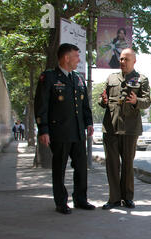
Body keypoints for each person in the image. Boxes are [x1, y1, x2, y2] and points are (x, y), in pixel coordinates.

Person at [34, 43, 95, 215]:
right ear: (66, 58)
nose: (79, 60)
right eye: (76, 56)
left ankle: (80, 199)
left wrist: (89, 122)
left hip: (77, 132)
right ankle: (61, 202)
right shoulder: (50, 77)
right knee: (59, 167)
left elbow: (84, 105)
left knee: (81, 167)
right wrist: (43, 130)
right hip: (59, 132)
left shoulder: (78, 78)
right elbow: (41, 106)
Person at [99, 48, 151, 210]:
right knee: (112, 165)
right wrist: (103, 100)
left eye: (126, 59)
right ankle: (114, 198)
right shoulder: (111, 78)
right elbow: (103, 101)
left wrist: (136, 101)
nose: (122, 62)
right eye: (121, 59)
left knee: (128, 164)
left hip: (130, 128)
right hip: (111, 127)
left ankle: (127, 197)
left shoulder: (141, 79)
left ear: (134, 61)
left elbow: (147, 101)